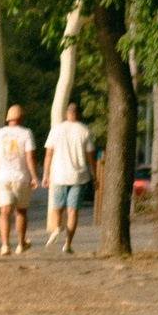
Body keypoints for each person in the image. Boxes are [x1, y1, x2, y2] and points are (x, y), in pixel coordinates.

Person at [0, 105, 37, 256]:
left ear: (8, 119)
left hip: (3, 178)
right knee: (21, 212)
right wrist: (34, 176)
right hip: (21, 178)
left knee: (4, 211)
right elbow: (30, 157)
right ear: (21, 118)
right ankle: (21, 244)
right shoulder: (26, 133)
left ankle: (5, 245)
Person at [43, 103, 93, 254]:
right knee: (73, 211)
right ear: (78, 115)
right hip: (78, 176)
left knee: (57, 208)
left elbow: (48, 154)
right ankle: (67, 244)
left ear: (66, 114)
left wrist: (45, 175)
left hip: (58, 175)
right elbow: (90, 155)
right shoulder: (84, 130)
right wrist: (94, 175)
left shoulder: (56, 130)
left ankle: (58, 227)